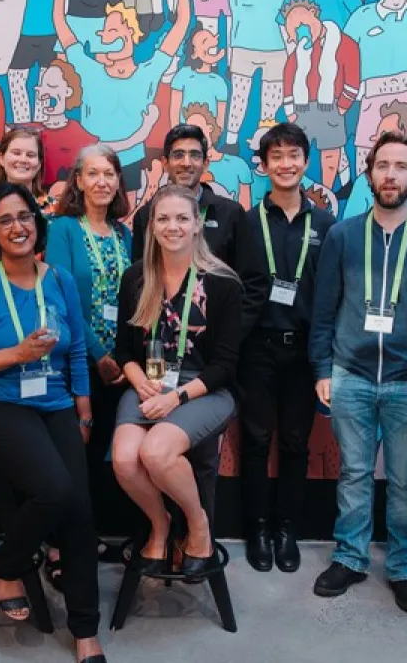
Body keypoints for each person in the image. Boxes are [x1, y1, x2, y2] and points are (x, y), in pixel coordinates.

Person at [0, 182, 105, 663]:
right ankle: (8, 565)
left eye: (25, 216)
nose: (18, 227)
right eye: (6, 220)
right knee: (56, 489)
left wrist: (84, 409)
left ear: (38, 223)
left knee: (80, 511)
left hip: (53, 403)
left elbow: (76, 348)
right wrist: (17, 354)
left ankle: (85, 630)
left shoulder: (60, 280)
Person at [309, 132, 407, 614]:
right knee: (353, 473)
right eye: (382, 166)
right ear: (370, 174)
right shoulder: (342, 235)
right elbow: (324, 308)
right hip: (349, 373)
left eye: (401, 166)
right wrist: (322, 368)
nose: (390, 175)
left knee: (404, 481)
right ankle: (350, 557)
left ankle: (405, 566)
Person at [111, 184, 242, 577]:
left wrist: (176, 397)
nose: (173, 227)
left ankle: (198, 524)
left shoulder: (223, 283)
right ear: (152, 226)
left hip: (203, 388)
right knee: (124, 459)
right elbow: (123, 351)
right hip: (148, 382)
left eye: (182, 218)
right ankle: (161, 523)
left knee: (156, 452)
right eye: (164, 219)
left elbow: (225, 366)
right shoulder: (136, 277)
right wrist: (139, 381)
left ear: (197, 224)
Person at [237, 123, 334, 574]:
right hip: (256, 351)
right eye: (276, 156)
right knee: (256, 442)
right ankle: (257, 528)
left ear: (306, 161)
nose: (285, 164)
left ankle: (286, 529)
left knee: (295, 444)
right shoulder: (245, 223)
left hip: (303, 354)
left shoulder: (326, 225)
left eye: (294, 155)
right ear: (263, 165)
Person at [45, 143, 134, 580]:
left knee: (98, 453)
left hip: (120, 366)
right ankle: (58, 548)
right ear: (78, 181)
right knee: (69, 455)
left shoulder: (124, 234)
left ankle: (85, 535)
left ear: (118, 181)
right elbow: (62, 298)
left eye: (109, 174)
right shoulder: (62, 229)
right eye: (93, 173)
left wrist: (122, 359)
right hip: (77, 362)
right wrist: (99, 355)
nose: (102, 181)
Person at [129, 124, 266, 335]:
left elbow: (254, 284)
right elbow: (141, 280)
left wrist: (232, 334)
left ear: (206, 163)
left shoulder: (231, 214)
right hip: (162, 338)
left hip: (219, 342)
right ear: (165, 163)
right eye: (178, 155)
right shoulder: (146, 216)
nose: (186, 163)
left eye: (194, 155)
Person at [0, 126, 57, 216]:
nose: (23, 160)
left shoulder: (56, 210)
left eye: (30, 155)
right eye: (16, 153)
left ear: (39, 163)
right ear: (1, 158)